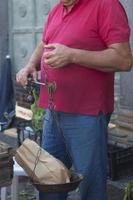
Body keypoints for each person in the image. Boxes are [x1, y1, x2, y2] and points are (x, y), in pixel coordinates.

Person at [16, 0, 132, 199]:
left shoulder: (106, 5)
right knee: (49, 180)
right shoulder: (57, 10)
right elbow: (45, 42)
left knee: (90, 185)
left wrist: (72, 56)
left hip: (86, 114)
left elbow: (124, 60)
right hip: (54, 112)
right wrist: (31, 64)